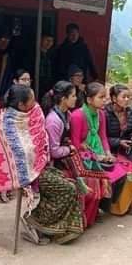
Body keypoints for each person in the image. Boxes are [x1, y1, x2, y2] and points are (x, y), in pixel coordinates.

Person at [0, 84, 84, 245]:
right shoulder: (6, 123)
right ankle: (34, 220)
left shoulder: (34, 112)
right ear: (21, 105)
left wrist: (38, 152)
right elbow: (17, 153)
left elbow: (39, 139)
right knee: (68, 188)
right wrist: (37, 152)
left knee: (71, 185)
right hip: (23, 173)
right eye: (32, 100)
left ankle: (51, 226)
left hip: (40, 165)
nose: (36, 102)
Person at [45, 81, 107, 230]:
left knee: (97, 175)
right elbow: (54, 151)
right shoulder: (54, 121)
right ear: (63, 99)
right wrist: (70, 148)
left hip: (68, 156)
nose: (76, 99)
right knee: (90, 180)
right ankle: (78, 221)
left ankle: (87, 218)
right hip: (55, 163)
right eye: (73, 96)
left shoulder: (67, 114)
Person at [71, 83, 132, 221]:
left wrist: (107, 154)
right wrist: (96, 157)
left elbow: (102, 137)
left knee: (120, 173)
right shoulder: (78, 116)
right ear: (89, 100)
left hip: (98, 152)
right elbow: (76, 146)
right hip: (82, 156)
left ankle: (103, 206)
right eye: (101, 97)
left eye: (105, 97)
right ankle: (95, 210)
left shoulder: (101, 114)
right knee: (104, 175)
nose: (105, 100)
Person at [104, 84, 132, 216]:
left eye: (128, 97)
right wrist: (118, 142)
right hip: (110, 150)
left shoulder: (130, 113)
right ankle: (119, 207)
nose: (127, 99)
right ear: (114, 98)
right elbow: (102, 137)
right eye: (124, 97)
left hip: (127, 150)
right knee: (126, 173)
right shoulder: (105, 114)